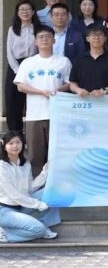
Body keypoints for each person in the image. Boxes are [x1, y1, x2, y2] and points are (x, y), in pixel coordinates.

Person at [13, 25, 71, 177]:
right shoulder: (28, 62)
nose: (44, 39)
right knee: (35, 156)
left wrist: (58, 90)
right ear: (35, 41)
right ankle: (37, 185)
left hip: (57, 115)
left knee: (57, 154)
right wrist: (40, 92)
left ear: (54, 40)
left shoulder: (64, 61)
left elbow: (70, 83)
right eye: (41, 37)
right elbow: (20, 86)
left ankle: (57, 183)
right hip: (34, 115)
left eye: (48, 36)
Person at [0, 131, 60, 243]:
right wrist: (38, 204)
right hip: (4, 210)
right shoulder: (2, 167)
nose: (15, 146)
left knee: (53, 192)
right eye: (11, 143)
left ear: (22, 144)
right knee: (38, 229)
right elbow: (14, 195)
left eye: (18, 142)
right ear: (4, 146)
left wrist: (45, 172)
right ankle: (6, 233)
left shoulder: (25, 164)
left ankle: (41, 224)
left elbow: (30, 188)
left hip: (21, 207)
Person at [5, 0, 40, 133]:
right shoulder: (12, 29)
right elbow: (9, 52)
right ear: (17, 13)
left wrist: (32, 67)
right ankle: (15, 134)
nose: (25, 12)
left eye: (28, 9)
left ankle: (33, 133)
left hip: (34, 65)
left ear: (33, 12)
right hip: (15, 66)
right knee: (13, 101)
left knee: (32, 99)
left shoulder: (38, 28)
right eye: (22, 9)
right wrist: (17, 70)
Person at [69, 24, 108, 98]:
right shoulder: (79, 59)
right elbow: (72, 83)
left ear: (105, 38)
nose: (97, 37)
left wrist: (104, 91)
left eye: (100, 34)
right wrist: (78, 90)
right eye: (93, 34)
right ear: (87, 38)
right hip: (84, 101)